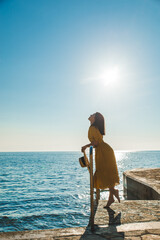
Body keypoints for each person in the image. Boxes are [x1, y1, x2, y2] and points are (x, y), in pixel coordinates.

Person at [81, 112, 120, 208]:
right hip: (104, 150)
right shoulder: (93, 127)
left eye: (92, 114)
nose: (90, 114)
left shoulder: (93, 128)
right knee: (107, 172)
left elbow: (96, 142)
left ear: (95, 118)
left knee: (104, 172)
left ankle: (113, 193)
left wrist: (85, 146)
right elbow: (96, 142)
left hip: (103, 151)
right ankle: (111, 196)